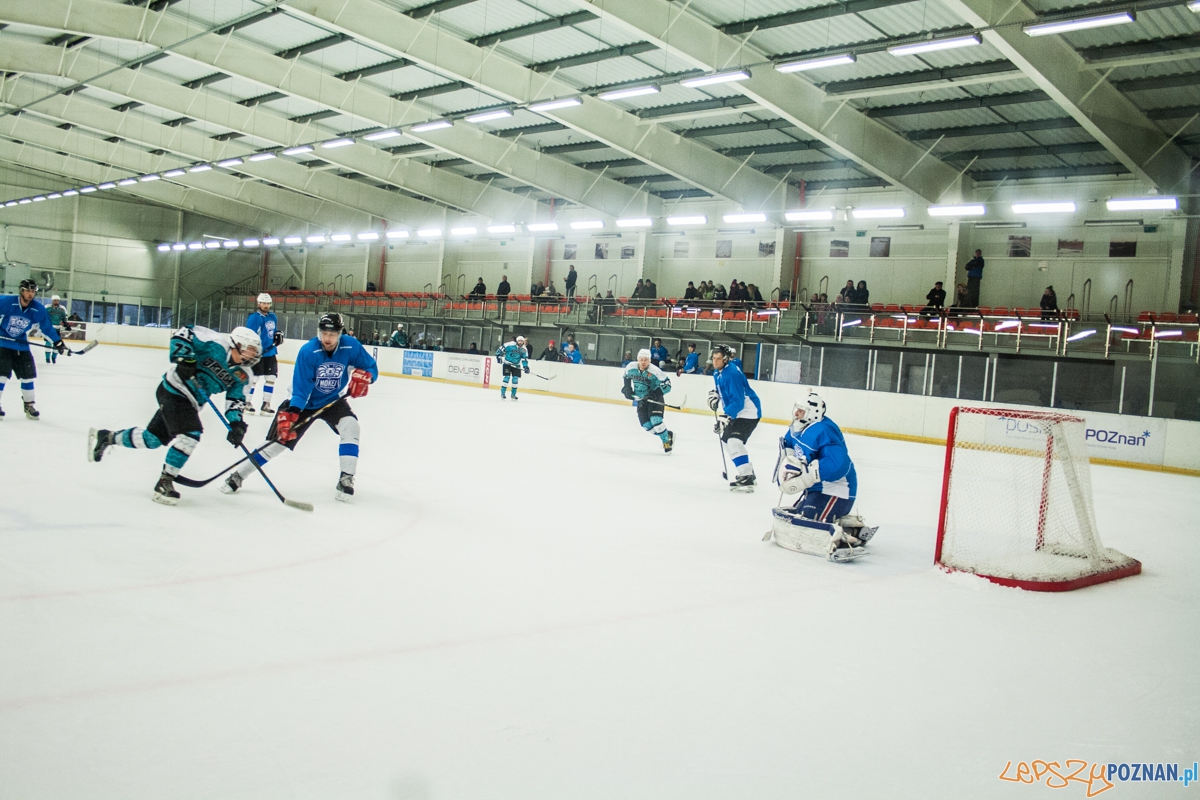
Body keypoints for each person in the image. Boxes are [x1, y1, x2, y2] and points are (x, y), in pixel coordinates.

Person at [88, 325, 260, 505]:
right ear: (237, 343)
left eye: (255, 351)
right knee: (191, 434)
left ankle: (107, 437)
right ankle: (165, 481)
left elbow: (236, 400)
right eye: (250, 349)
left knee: (151, 439)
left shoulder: (243, 374)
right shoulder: (215, 344)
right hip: (174, 389)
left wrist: (236, 424)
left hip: (191, 402)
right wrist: (184, 358)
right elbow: (185, 332)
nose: (253, 354)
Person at [221, 312, 378, 502]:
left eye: (332, 334)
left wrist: (367, 377)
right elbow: (302, 389)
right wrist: (293, 412)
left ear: (340, 333)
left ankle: (346, 477)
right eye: (324, 334)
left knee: (351, 427)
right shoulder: (308, 351)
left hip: (332, 400)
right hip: (301, 402)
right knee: (276, 445)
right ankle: (238, 476)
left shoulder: (351, 345)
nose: (327, 339)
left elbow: (371, 366)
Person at [771, 391, 876, 562]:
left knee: (808, 518)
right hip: (817, 488)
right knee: (799, 514)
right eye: (796, 409)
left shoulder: (825, 430)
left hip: (837, 490)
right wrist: (787, 465)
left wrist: (807, 476)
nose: (796, 413)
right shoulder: (797, 427)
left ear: (813, 413)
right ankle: (849, 524)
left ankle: (846, 538)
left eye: (801, 410)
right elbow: (789, 443)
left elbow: (838, 464)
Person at [0, 279, 66, 419]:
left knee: (28, 376)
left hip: (21, 345)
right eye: (27, 291)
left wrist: (58, 343)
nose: (30, 294)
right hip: (2, 343)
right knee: (1, 375)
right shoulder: (6, 301)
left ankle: (29, 405)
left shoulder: (38, 309)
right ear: (21, 291)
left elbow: (46, 327)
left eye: (33, 291)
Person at [708, 344, 761, 492]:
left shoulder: (731, 373)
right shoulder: (717, 373)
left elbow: (738, 401)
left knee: (734, 441)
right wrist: (715, 395)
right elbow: (724, 390)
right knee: (726, 441)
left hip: (749, 412)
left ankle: (746, 476)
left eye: (718, 359)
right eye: (713, 358)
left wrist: (725, 417)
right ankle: (748, 471)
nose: (715, 361)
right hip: (737, 412)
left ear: (725, 359)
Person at [621, 349, 674, 453]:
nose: (643, 362)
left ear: (649, 360)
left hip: (655, 398)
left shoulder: (655, 371)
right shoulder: (631, 367)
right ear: (638, 359)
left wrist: (654, 394)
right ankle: (667, 434)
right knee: (646, 426)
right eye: (641, 359)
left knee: (656, 421)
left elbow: (667, 386)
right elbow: (626, 377)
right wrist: (627, 388)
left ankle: (666, 442)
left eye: (646, 360)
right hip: (642, 400)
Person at [244, 293, 283, 414]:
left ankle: (266, 404)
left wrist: (277, 337)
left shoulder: (273, 316)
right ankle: (247, 402)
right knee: (254, 379)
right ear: (258, 303)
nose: (266, 305)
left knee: (271, 378)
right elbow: (250, 335)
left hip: (270, 353)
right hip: (258, 354)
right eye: (263, 303)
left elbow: (273, 331)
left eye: (268, 303)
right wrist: (254, 350)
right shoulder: (254, 318)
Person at [495, 334, 529, 400]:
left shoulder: (524, 349)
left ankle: (513, 394)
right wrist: (498, 356)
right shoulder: (510, 345)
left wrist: (526, 367)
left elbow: (524, 359)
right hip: (507, 364)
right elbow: (501, 348)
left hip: (516, 365)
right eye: (519, 341)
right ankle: (503, 393)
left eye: (522, 341)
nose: (520, 342)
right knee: (507, 377)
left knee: (515, 379)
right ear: (517, 341)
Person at [43, 295, 69, 364]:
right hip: (49, 328)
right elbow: (43, 316)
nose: (56, 302)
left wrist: (66, 324)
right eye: (54, 300)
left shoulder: (62, 309)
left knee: (57, 344)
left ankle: (54, 358)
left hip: (57, 328)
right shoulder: (47, 307)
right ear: (52, 301)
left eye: (57, 300)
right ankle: (47, 359)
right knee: (48, 343)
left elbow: (65, 317)